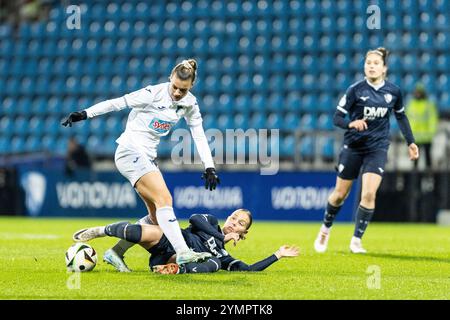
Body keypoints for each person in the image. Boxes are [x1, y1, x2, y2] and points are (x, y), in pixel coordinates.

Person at [62, 59, 220, 268]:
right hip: (129, 151)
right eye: (174, 87)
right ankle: (183, 252)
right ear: (169, 79)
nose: (177, 93)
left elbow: (198, 135)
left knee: (156, 217)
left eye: (183, 89)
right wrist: (85, 113)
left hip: (147, 158)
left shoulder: (190, 103)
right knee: (165, 198)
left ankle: (116, 252)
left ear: (191, 86)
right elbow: (119, 102)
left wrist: (209, 166)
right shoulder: (152, 93)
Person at [313, 47, 419, 254]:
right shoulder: (355, 90)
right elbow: (337, 118)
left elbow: (401, 117)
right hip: (353, 147)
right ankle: (325, 229)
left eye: (375, 63)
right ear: (364, 67)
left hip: (377, 148)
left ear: (384, 68)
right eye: (368, 63)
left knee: (369, 193)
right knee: (339, 195)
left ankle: (356, 241)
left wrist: (411, 142)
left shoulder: (394, 92)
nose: (371, 66)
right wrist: (351, 124)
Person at [72, 209, 299, 274]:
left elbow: (249, 269)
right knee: (153, 225)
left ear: (244, 233)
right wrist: (221, 235)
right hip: (170, 241)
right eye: (233, 218)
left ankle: (174, 270)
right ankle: (101, 231)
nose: (233, 223)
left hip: (169, 260)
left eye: (240, 224)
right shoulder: (211, 222)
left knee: (216, 264)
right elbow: (193, 220)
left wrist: (277, 255)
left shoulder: (223, 255)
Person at [406, 84, 439, 170]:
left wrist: (432, 132)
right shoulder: (411, 104)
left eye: (419, 92)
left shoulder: (428, 104)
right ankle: (414, 177)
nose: (418, 94)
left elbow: (432, 119)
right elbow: (407, 119)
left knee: (428, 157)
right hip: (415, 137)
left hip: (426, 136)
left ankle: (429, 176)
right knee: (415, 159)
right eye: (416, 92)